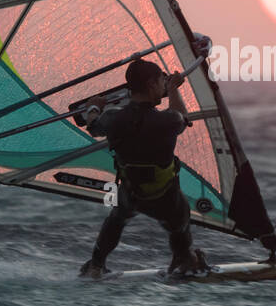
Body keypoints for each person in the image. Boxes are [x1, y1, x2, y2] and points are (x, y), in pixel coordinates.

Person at [77, 58, 210, 279]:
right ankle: (183, 258)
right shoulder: (166, 121)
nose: (163, 86)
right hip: (164, 196)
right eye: (161, 81)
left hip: (131, 192)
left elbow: (92, 126)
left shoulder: (112, 118)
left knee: (116, 219)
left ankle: (96, 264)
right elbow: (182, 117)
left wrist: (93, 106)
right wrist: (175, 89)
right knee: (180, 221)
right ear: (150, 84)